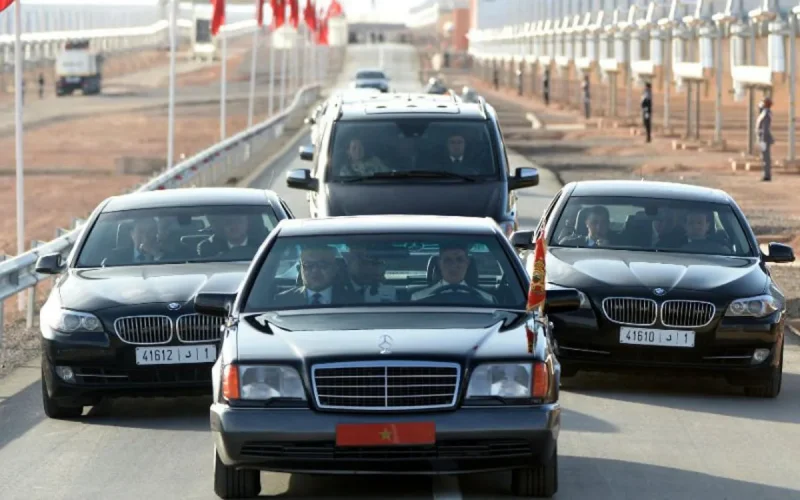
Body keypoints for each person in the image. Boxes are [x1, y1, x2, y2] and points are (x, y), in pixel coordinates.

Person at [272, 244, 361, 307]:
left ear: (335, 268)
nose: (315, 270)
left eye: (322, 265)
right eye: (308, 265)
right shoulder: (283, 300)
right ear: (300, 269)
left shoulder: (353, 300)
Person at [411, 243, 496, 304]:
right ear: (439, 263)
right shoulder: (419, 299)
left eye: (460, 260)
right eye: (448, 260)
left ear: (467, 263)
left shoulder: (487, 301)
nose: (454, 266)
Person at [756, 97, 774, 182]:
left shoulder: (766, 114)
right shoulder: (764, 113)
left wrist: (763, 140)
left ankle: (767, 175)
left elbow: (765, 129)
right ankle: (766, 174)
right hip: (763, 138)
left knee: (766, 158)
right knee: (764, 158)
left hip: (765, 139)